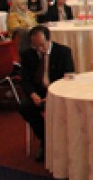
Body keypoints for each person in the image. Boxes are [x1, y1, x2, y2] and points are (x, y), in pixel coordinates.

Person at [18, 26, 75, 162]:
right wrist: (33, 94)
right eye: (35, 46)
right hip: (38, 92)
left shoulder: (63, 52)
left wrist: (52, 95)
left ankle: (53, 141)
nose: (39, 49)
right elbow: (24, 80)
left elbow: (69, 78)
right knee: (24, 107)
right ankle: (46, 138)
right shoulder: (28, 55)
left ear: (49, 40)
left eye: (42, 45)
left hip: (58, 92)